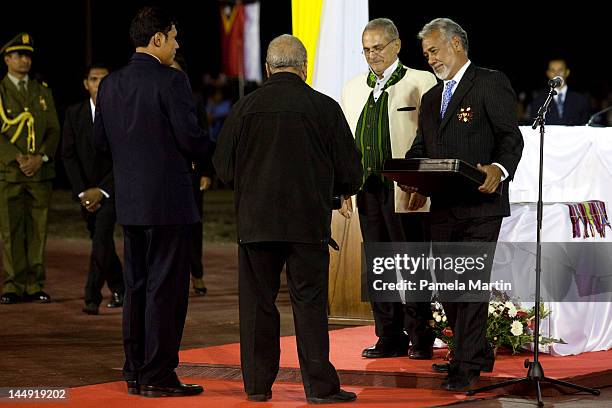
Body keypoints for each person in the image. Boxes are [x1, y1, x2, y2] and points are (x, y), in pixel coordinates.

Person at [213, 34, 362, 404]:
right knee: (309, 304)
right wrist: (332, 191)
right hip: (307, 226)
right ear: (304, 67)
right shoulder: (324, 108)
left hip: (256, 225)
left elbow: (223, 169)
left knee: (257, 305)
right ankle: (320, 388)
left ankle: (258, 386)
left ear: (267, 68)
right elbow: (351, 172)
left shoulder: (245, 108)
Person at [93, 7, 210, 397]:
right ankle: (158, 375)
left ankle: (135, 370)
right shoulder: (170, 81)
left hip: (130, 203)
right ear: (157, 38)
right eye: (174, 37)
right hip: (169, 204)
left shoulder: (109, 86)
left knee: (137, 287)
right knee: (166, 290)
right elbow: (191, 138)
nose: (177, 45)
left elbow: (100, 144)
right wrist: (208, 154)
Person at [404, 18, 523, 391]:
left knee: (468, 284)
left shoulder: (489, 82)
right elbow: (421, 150)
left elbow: (510, 138)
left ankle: (467, 364)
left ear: (457, 44)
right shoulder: (429, 99)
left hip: (480, 206)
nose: (430, 60)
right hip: (442, 207)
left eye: (434, 50)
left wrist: (499, 169)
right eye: (426, 54)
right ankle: (479, 350)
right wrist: (412, 178)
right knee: (450, 286)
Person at [340, 18, 437, 360]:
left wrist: (424, 183)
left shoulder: (421, 81)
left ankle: (421, 335)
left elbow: (432, 138)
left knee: (413, 264)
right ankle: (388, 335)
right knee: (378, 264)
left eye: (378, 47)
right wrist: (343, 188)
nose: (372, 55)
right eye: (366, 49)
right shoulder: (353, 88)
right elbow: (347, 143)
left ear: (396, 45)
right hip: (368, 189)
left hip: (406, 189)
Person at [0, 33, 60, 305]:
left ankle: (34, 284)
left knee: (38, 229)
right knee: (10, 230)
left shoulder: (42, 89)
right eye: (19, 55)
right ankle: (13, 284)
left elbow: (53, 129)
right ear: (7, 59)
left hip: (39, 172)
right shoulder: (1, 91)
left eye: (28, 55)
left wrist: (41, 158)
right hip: (9, 173)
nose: (25, 60)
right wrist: (17, 158)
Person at [61, 63, 125, 315]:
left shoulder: (122, 114)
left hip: (112, 190)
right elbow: (68, 155)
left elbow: (124, 157)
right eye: (94, 79)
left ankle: (91, 296)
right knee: (103, 242)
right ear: (85, 83)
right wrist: (83, 192)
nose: (98, 84)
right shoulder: (73, 113)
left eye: (103, 79)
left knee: (101, 239)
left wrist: (102, 190)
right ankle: (121, 288)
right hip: (85, 194)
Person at [171, 54, 211, 296]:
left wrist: (206, 171)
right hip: (168, 175)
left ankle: (197, 273)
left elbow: (203, 136)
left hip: (193, 174)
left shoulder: (194, 100)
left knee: (194, 227)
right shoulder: (158, 97)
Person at [526, 59, 590, 125]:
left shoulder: (580, 100)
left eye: (560, 70)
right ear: (548, 73)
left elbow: (586, 126)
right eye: (553, 70)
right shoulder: (538, 101)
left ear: (567, 72)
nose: (556, 74)